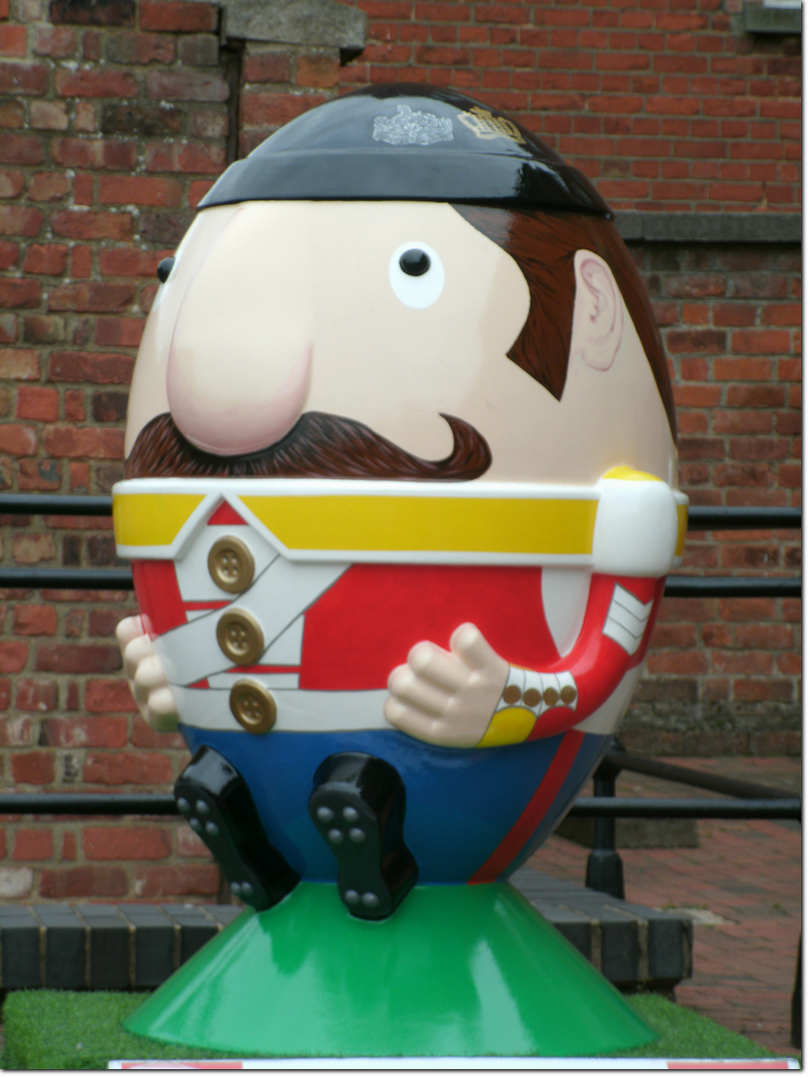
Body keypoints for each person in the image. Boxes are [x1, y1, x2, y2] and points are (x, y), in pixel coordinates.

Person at [115, 86, 685, 919]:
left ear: (589, 309)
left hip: (441, 765)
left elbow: (604, 650)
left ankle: (380, 849)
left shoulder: (615, 506)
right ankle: (251, 832)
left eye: (417, 270)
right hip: (256, 732)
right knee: (230, 783)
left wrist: (512, 699)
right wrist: (172, 666)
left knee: (368, 793)